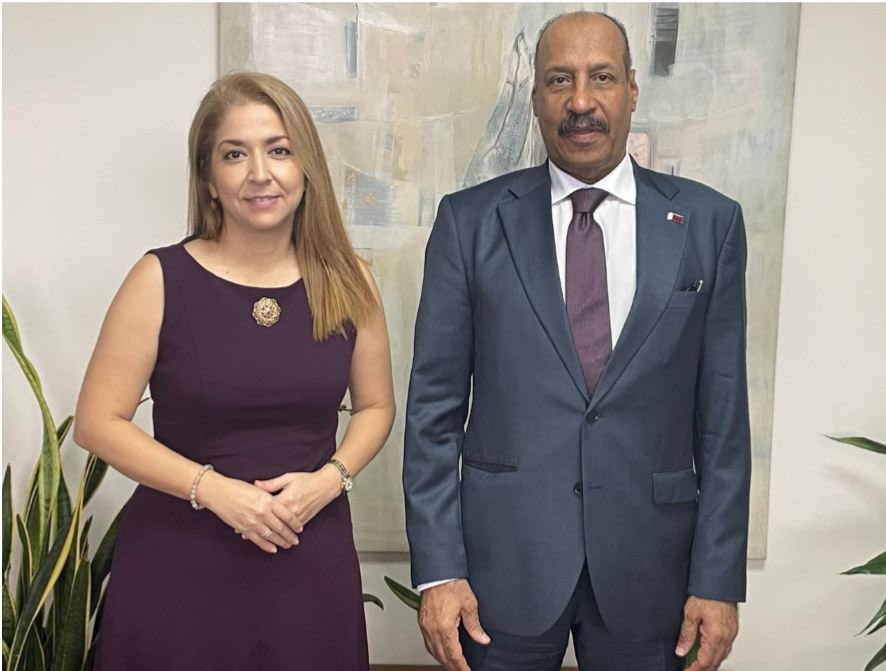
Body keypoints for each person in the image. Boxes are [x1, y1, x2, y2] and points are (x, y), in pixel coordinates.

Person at [403, 11, 749, 671]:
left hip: (653, 572)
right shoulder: (469, 223)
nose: (581, 101)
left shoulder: (710, 224)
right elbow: (433, 414)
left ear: (632, 90)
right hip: (500, 573)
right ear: (535, 96)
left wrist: (718, 578)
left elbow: (724, 423)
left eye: (602, 78)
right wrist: (439, 571)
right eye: (560, 80)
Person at [75, 71, 395, 670]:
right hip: (179, 565)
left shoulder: (350, 279)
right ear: (208, 178)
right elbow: (97, 422)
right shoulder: (158, 279)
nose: (260, 173)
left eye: (279, 150)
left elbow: (376, 407)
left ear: (306, 167)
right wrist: (215, 491)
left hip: (309, 557)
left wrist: (329, 481)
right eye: (234, 155)